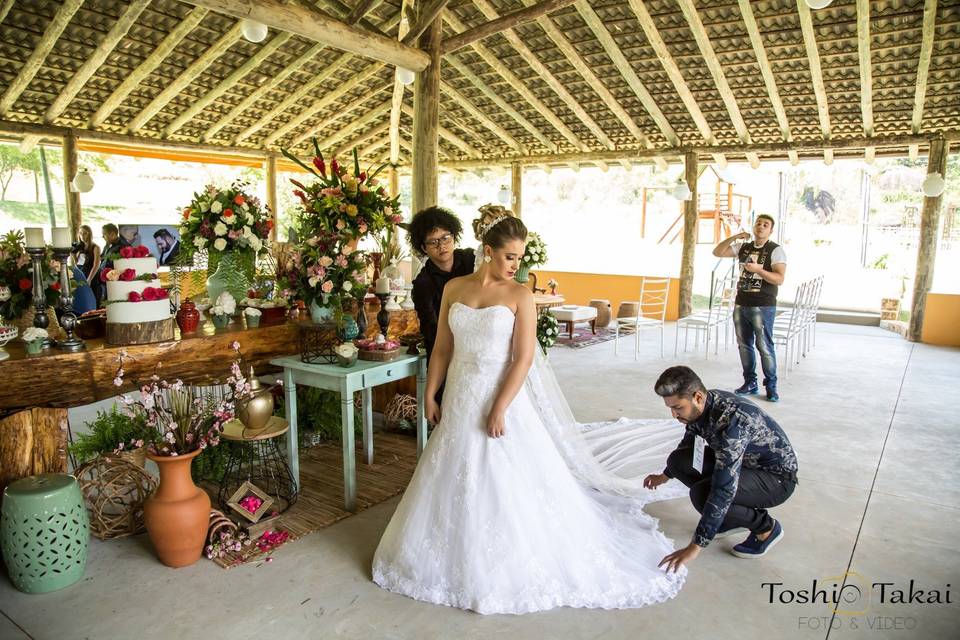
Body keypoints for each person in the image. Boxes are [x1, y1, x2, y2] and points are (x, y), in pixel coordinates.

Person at [373, 211, 686, 615]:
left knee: (505, 471)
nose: (515, 265)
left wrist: (500, 406)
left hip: (500, 394)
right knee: (455, 467)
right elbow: (443, 348)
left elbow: (522, 359)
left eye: (519, 258)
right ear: (488, 252)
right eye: (508, 257)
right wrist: (431, 394)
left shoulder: (519, 295)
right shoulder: (453, 288)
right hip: (461, 394)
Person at [644, 366, 798, 573]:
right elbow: (689, 445)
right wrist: (665, 476)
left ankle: (766, 528)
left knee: (704, 494)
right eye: (670, 408)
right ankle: (729, 520)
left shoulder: (732, 424)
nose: (674, 415)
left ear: (697, 397)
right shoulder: (705, 404)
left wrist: (695, 546)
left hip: (776, 480)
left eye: (678, 408)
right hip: (744, 465)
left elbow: (724, 488)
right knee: (679, 460)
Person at [713, 214, 787, 402]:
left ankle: (771, 385)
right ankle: (750, 382)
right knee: (744, 345)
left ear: (771, 230)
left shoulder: (775, 250)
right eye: (758, 223)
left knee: (764, 346)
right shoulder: (744, 247)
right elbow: (718, 252)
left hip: (763, 304)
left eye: (766, 224)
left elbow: (780, 278)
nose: (761, 226)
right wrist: (734, 237)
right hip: (741, 302)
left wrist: (759, 271)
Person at [407, 206, 475, 363]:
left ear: (454, 237)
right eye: (433, 242)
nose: (441, 246)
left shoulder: (471, 259)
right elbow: (431, 329)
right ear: (424, 248)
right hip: (444, 353)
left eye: (445, 238)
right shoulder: (422, 283)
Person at [72, 225, 101, 305]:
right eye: (80, 233)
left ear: (89, 234)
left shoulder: (95, 247)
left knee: (92, 299)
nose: (82, 235)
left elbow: (96, 265)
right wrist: (73, 254)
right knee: (83, 300)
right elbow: (78, 263)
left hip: (91, 275)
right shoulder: (80, 247)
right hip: (81, 274)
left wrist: (89, 279)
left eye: (85, 233)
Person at [97, 223, 122, 306]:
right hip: (104, 280)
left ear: (112, 234)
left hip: (114, 281)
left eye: (104, 234)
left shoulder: (122, 246)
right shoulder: (107, 245)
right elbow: (102, 257)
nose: (102, 237)